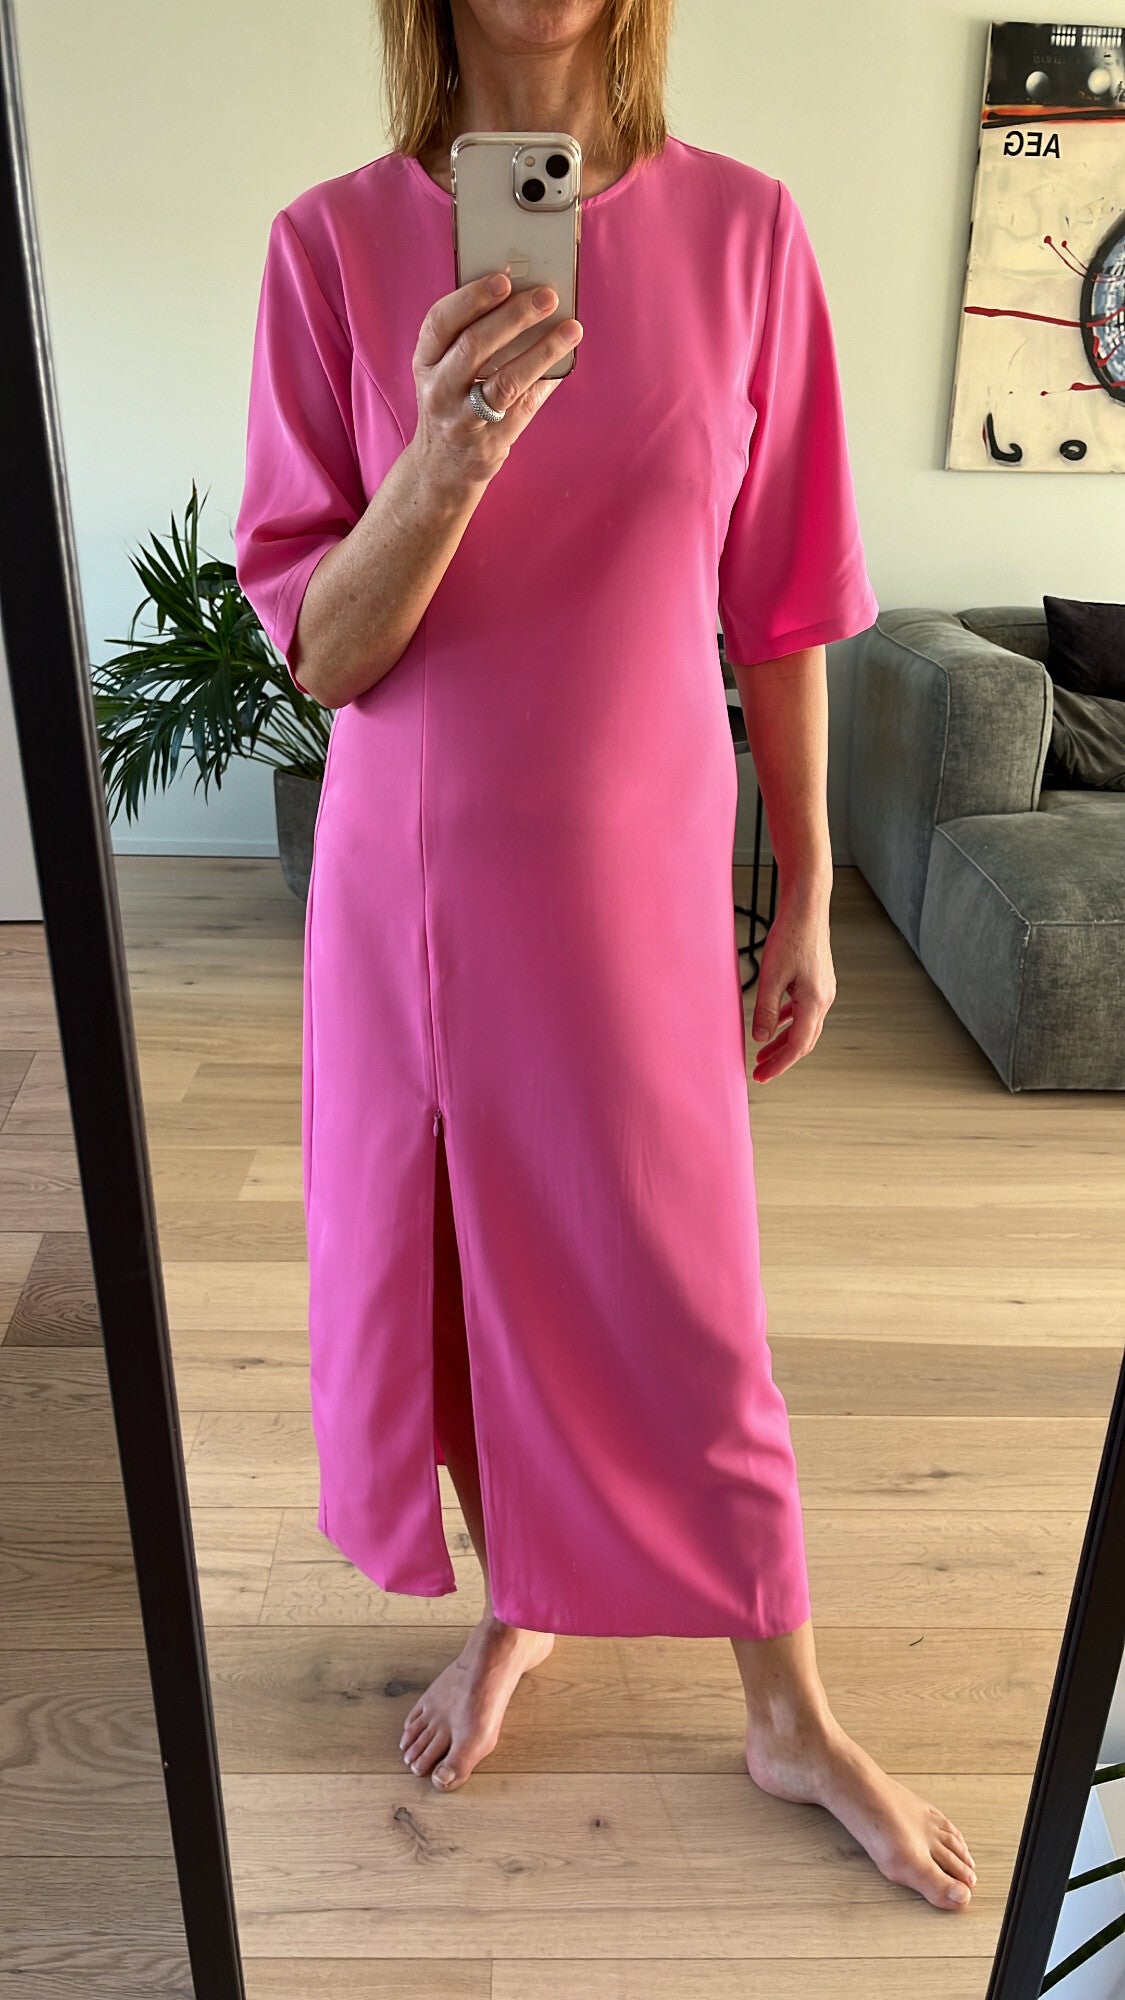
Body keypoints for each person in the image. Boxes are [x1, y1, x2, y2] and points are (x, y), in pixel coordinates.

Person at [234, 0, 978, 1913]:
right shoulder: (328, 246)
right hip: (410, 883)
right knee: (456, 1265)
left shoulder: (744, 234)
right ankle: (525, 1600)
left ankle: (786, 1712)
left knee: (679, 1285)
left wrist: (804, 886)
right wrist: (446, 452)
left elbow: (783, 598)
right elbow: (325, 653)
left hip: (639, 872)